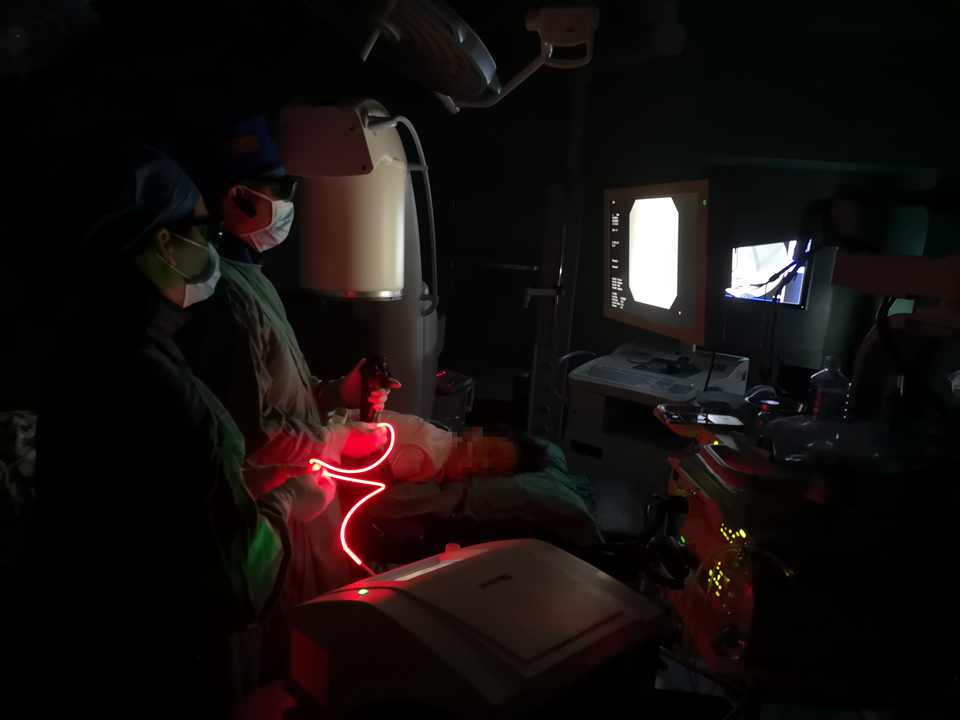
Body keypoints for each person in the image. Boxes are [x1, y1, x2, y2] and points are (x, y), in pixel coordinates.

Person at [28, 147, 350, 715]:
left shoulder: (83, 358)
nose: (211, 245)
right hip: (181, 665)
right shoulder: (163, 389)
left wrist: (337, 400)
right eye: (201, 229)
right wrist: (285, 507)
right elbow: (235, 580)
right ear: (161, 243)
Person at [176, 117, 393, 677]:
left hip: (302, 502)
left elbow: (281, 393)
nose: (288, 202)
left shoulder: (252, 279)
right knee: (286, 667)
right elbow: (254, 432)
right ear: (237, 199)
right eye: (278, 189)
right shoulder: (223, 298)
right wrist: (332, 439)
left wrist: (339, 391)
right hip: (270, 516)